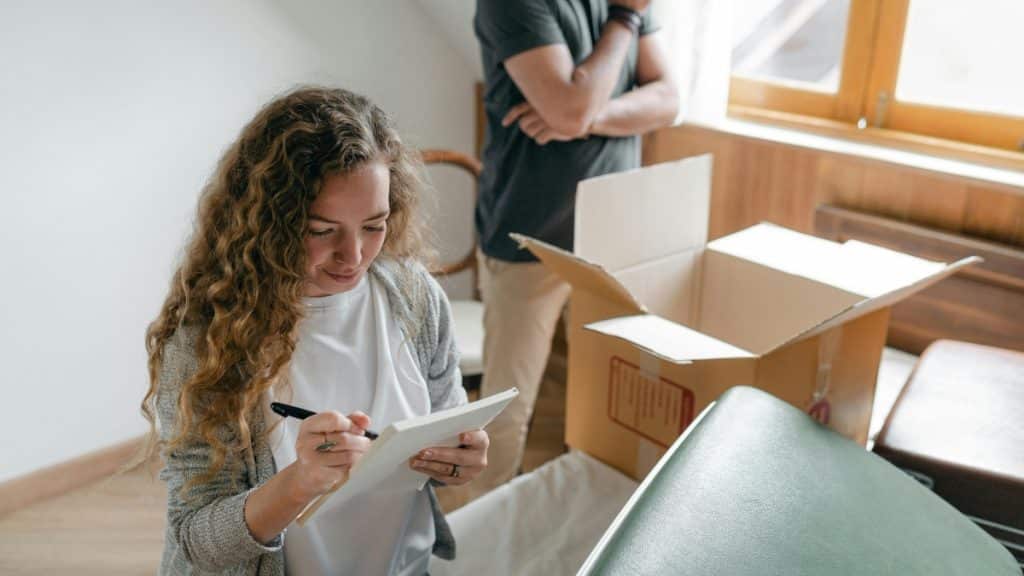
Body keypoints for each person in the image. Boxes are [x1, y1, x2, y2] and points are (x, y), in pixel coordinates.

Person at [139, 87, 488, 576]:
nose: (354, 256)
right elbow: (195, 540)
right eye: (322, 231)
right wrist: (299, 483)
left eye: (375, 225)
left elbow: (444, 433)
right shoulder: (209, 341)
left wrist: (458, 460)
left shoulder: (415, 298)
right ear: (268, 224)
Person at [462, 0, 679, 502]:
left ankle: (533, 530)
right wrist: (624, 17)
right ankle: (471, 540)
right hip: (527, 239)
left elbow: (668, 99)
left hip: (607, 243)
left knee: (572, 411)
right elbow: (569, 107)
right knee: (504, 416)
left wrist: (586, 114)